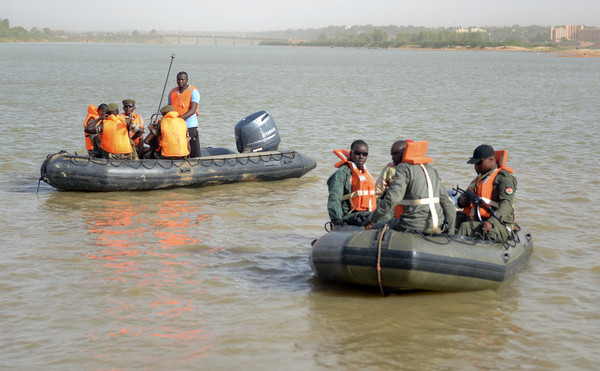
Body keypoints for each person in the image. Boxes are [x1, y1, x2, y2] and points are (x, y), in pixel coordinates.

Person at [364, 140, 455, 235]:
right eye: (392, 154)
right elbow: (448, 205)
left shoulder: (403, 168)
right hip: (436, 226)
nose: (392, 157)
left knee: (374, 228)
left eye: (395, 154)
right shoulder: (432, 170)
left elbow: (392, 199)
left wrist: (371, 219)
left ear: (405, 152)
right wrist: (451, 232)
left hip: (411, 225)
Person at [457, 144, 517, 242]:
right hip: (478, 218)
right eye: (475, 164)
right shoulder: (479, 179)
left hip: (498, 223)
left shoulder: (504, 178)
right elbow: (466, 193)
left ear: (491, 160)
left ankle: (455, 251)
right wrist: (461, 201)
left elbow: (507, 204)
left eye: (479, 163)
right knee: (452, 218)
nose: (476, 166)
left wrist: (492, 222)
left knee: (466, 227)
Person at [327, 140, 377, 227]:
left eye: (364, 154)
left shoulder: (365, 173)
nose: (361, 157)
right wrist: (337, 219)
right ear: (351, 153)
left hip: (367, 213)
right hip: (350, 216)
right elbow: (334, 197)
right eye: (358, 153)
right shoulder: (342, 173)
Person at [168, 71, 201, 157]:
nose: (180, 81)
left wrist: (179, 119)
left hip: (190, 124)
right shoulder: (172, 92)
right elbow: (169, 109)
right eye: (178, 80)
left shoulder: (194, 91)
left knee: (194, 150)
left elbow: (192, 110)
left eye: (182, 79)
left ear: (187, 80)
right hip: (176, 126)